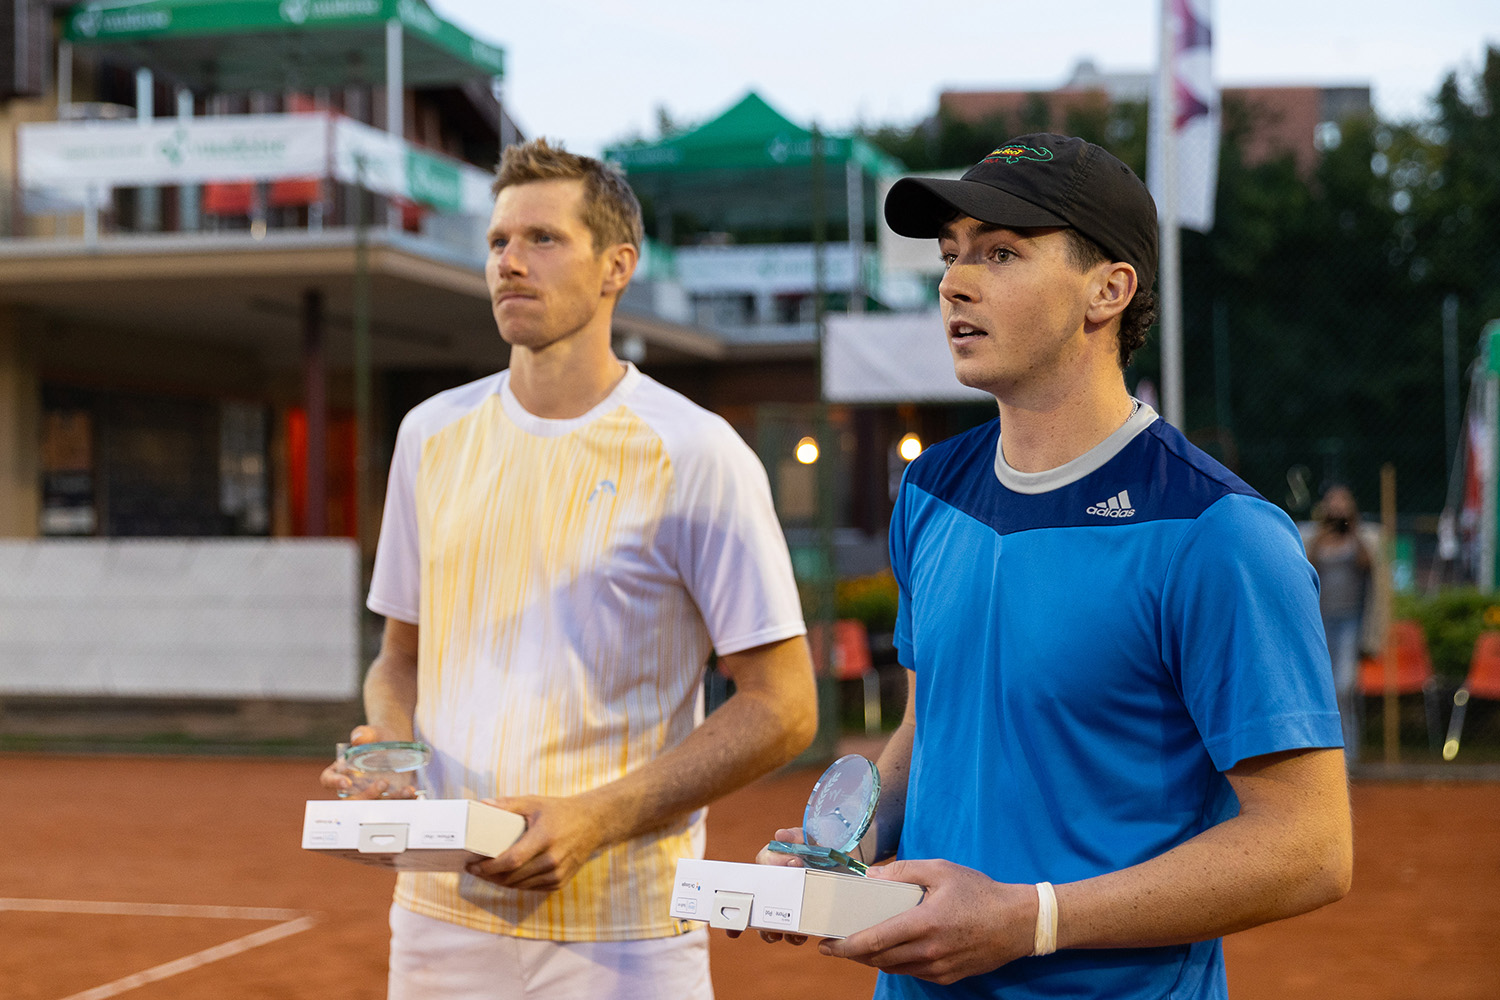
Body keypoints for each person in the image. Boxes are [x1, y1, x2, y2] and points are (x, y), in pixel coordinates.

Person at [752, 134, 1352, 998]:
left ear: (1108, 291)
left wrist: (1032, 921)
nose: (955, 281)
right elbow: (931, 729)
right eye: (951, 254)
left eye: (1001, 253)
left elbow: (1310, 847)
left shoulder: (1218, 532)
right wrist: (836, 856)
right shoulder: (929, 491)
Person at [321, 138, 818, 1000]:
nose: (511, 262)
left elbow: (785, 707)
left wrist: (597, 818)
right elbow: (399, 657)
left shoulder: (697, 452)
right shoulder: (429, 434)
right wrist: (390, 757)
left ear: (615, 267)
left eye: (543, 239)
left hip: (625, 931)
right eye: (498, 242)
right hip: (437, 922)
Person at [1306, 485, 1374, 761]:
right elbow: (1307, 565)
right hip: (1320, 622)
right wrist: (1325, 530)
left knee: (1344, 686)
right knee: (1322, 687)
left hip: (1349, 621)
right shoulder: (1316, 538)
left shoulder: (1360, 538)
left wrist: (1351, 528)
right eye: (1332, 503)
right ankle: (1326, 754)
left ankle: (1349, 754)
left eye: (1342, 503)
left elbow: (1367, 564)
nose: (1337, 508)